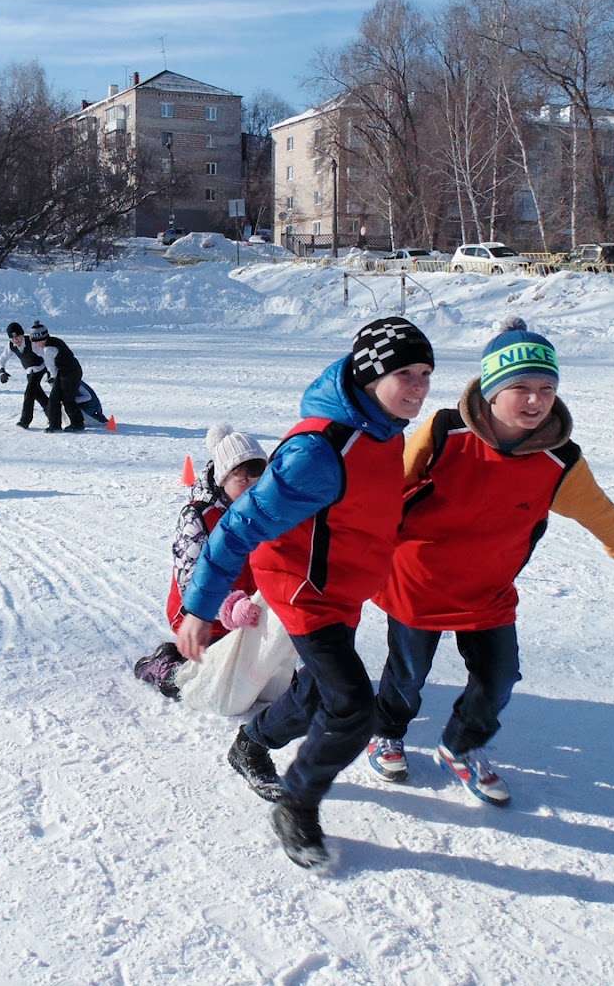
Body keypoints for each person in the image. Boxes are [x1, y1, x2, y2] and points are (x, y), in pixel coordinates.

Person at [176, 317, 434, 869]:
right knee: (352, 708)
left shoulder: (386, 429)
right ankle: (298, 804)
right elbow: (239, 525)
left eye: (425, 373)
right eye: (404, 373)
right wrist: (199, 606)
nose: (418, 386)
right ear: (369, 376)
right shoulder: (321, 451)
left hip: (341, 587)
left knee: (319, 689)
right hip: (301, 590)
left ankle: (252, 744)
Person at [367, 323, 614, 807]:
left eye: (546, 389)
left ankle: (462, 745)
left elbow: (596, 507)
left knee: (499, 678)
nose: (535, 401)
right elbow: (389, 487)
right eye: (521, 388)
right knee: (407, 674)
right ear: (492, 391)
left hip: (487, 591)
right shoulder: (445, 431)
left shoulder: (560, 459)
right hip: (418, 582)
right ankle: (386, 732)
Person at [133, 424, 297, 715]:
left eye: (259, 479)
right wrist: (227, 607)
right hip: (204, 615)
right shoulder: (198, 516)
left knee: (273, 681)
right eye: (242, 480)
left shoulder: (269, 510)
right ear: (223, 480)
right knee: (209, 684)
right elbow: (190, 578)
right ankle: (166, 666)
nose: (252, 488)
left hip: (251, 611)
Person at [28, 322, 85, 432]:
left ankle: (77, 424)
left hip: (69, 373)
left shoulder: (48, 350)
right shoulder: (55, 341)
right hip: (69, 371)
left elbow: (51, 367)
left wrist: (53, 378)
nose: (35, 344)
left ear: (41, 338)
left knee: (67, 399)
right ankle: (55, 425)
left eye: (36, 341)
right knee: (54, 398)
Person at [0, 321, 50, 428]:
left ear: (22, 334)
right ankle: (53, 415)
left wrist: (50, 371)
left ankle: (25, 421)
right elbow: (2, 358)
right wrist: (2, 371)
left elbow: (46, 355)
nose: (16, 340)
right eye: (13, 338)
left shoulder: (31, 342)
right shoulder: (11, 345)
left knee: (29, 393)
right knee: (39, 396)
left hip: (40, 368)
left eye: (18, 337)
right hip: (30, 372)